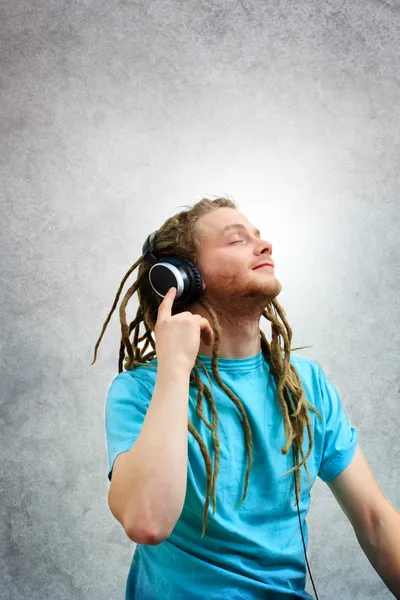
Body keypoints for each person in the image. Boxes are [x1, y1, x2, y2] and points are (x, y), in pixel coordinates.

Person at [92, 195, 359, 599]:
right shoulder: (139, 390)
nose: (264, 245)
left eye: (258, 236)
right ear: (180, 277)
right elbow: (146, 521)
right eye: (236, 240)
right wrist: (175, 369)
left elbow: (374, 521)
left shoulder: (305, 384)